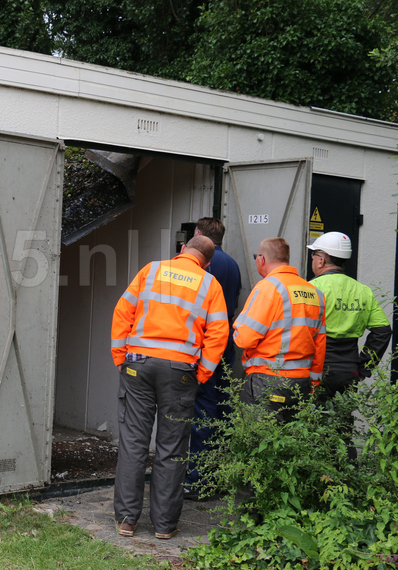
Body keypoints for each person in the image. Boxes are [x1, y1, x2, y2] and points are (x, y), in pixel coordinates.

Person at [110, 235, 229, 540]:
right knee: (172, 448)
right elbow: (218, 333)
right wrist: (202, 374)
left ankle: (126, 521)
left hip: (138, 365)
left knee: (134, 443)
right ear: (207, 261)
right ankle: (164, 526)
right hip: (180, 371)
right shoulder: (209, 283)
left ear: (181, 251)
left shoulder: (151, 270)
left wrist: (120, 357)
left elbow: (123, 312)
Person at [307, 232, 391, 455]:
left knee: (313, 428)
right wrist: (364, 366)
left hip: (318, 369)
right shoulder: (362, 290)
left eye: (314, 255)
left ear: (322, 259)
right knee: (344, 429)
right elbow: (383, 331)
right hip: (349, 371)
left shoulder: (313, 288)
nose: (313, 260)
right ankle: (346, 480)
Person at [233, 237, 326, 422]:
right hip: (301, 384)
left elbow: (244, 338)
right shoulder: (315, 293)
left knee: (261, 444)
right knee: (291, 444)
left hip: (267, 381)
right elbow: (320, 344)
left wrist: (236, 327)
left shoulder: (268, 287)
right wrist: (314, 384)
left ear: (262, 259)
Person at [184, 218, 241, 499]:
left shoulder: (205, 265)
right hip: (226, 343)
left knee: (200, 412)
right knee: (221, 409)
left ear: (197, 235)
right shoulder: (232, 264)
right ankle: (217, 474)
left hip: (205, 345)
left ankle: (196, 478)